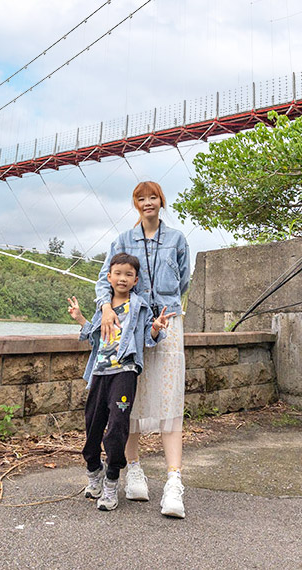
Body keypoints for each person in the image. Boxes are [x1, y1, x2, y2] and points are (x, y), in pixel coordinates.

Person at [95, 180, 190, 518]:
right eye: (141, 198)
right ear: (135, 203)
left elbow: (183, 281)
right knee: (128, 397)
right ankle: (133, 468)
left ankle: (173, 483)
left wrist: (164, 313)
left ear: (161, 201)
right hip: (131, 325)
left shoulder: (177, 239)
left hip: (168, 324)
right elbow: (103, 280)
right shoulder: (123, 240)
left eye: (152, 197)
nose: (147, 202)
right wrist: (107, 307)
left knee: (170, 401)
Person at [68, 252, 175, 511]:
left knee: (117, 426)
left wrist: (156, 327)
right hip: (99, 372)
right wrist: (80, 318)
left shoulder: (139, 306)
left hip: (124, 372)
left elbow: (147, 339)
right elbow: (94, 337)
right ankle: (94, 471)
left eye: (128, 274)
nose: (123, 278)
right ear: (109, 277)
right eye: (118, 273)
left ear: (136, 279)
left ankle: (112, 481)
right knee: (92, 426)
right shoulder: (102, 307)